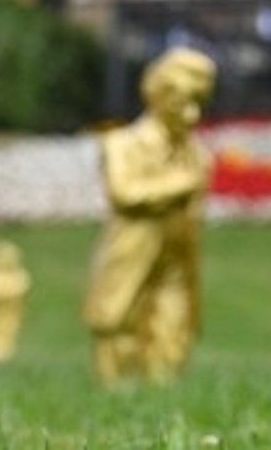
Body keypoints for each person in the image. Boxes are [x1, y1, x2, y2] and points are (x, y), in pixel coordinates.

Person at [84, 47, 217, 384]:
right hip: (133, 250)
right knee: (120, 323)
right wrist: (178, 185)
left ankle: (164, 393)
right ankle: (116, 391)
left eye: (198, 103)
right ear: (157, 96)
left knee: (173, 327)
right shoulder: (121, 144)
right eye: (182, 103)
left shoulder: (198, 155)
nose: (191, 116)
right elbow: (125, 194)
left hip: (177, 257)